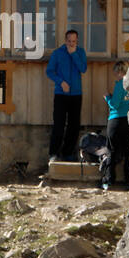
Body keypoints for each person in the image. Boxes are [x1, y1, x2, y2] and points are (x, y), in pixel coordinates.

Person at [46, 28, 87, 160]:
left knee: (74, 125)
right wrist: (61, 82)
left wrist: (74, 54)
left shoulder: (80, 52)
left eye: (73, 41)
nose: (71, 43)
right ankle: (53, 153)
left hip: (76, 94)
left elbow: (83, 68)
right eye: (69, 41)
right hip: (61, 94)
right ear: (65, 40)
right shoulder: (58, 53)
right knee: (59, 124)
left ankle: (68, 153)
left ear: (77, 41)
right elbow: (50, 71)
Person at [103, 61, 129, 190]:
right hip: (128, 120)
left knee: (112, 151)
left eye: (116, 72)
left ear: (120, 72)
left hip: (115, 120)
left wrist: (107, 98)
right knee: (128, 152)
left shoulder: (120, 85)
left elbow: (115, 104)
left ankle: (108, 181)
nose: (115, 75)